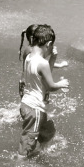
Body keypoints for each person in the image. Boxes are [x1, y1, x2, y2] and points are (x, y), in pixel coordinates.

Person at [17, 23, 69, 157]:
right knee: (27, 143)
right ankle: (19, 163)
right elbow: (50, 86)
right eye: (52, 46)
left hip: (27, 105)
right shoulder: (43, 63)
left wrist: (53, 58)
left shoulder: (29, 57)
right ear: (49, 44)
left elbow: (42, 77)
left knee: (49, 132)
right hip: (35, 110)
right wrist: (61, 84)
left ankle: (40, 154)